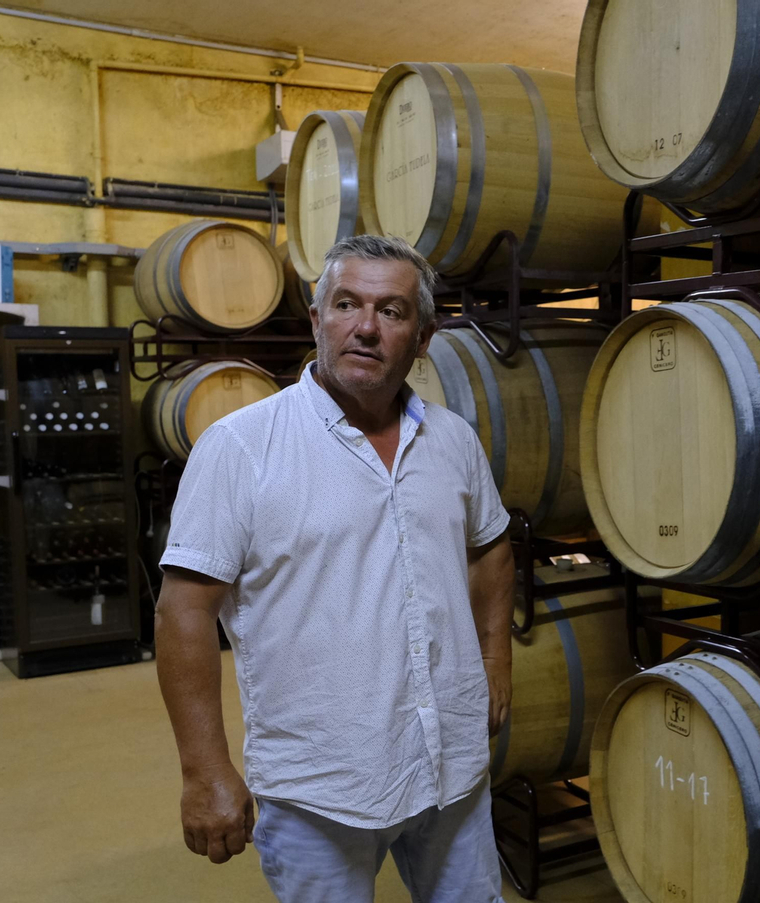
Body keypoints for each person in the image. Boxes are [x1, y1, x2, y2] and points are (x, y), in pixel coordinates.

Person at [154, 233, 514, 903]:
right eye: (347, 304)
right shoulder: (241, 446)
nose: (367, 327)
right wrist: (204, 769)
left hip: (450, 770)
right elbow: (184, 609)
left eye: (393, 310)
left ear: (425, 334)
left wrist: (496, 656)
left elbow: (490, 544)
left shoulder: (453, 441)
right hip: (321, 786)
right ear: (317, 319)